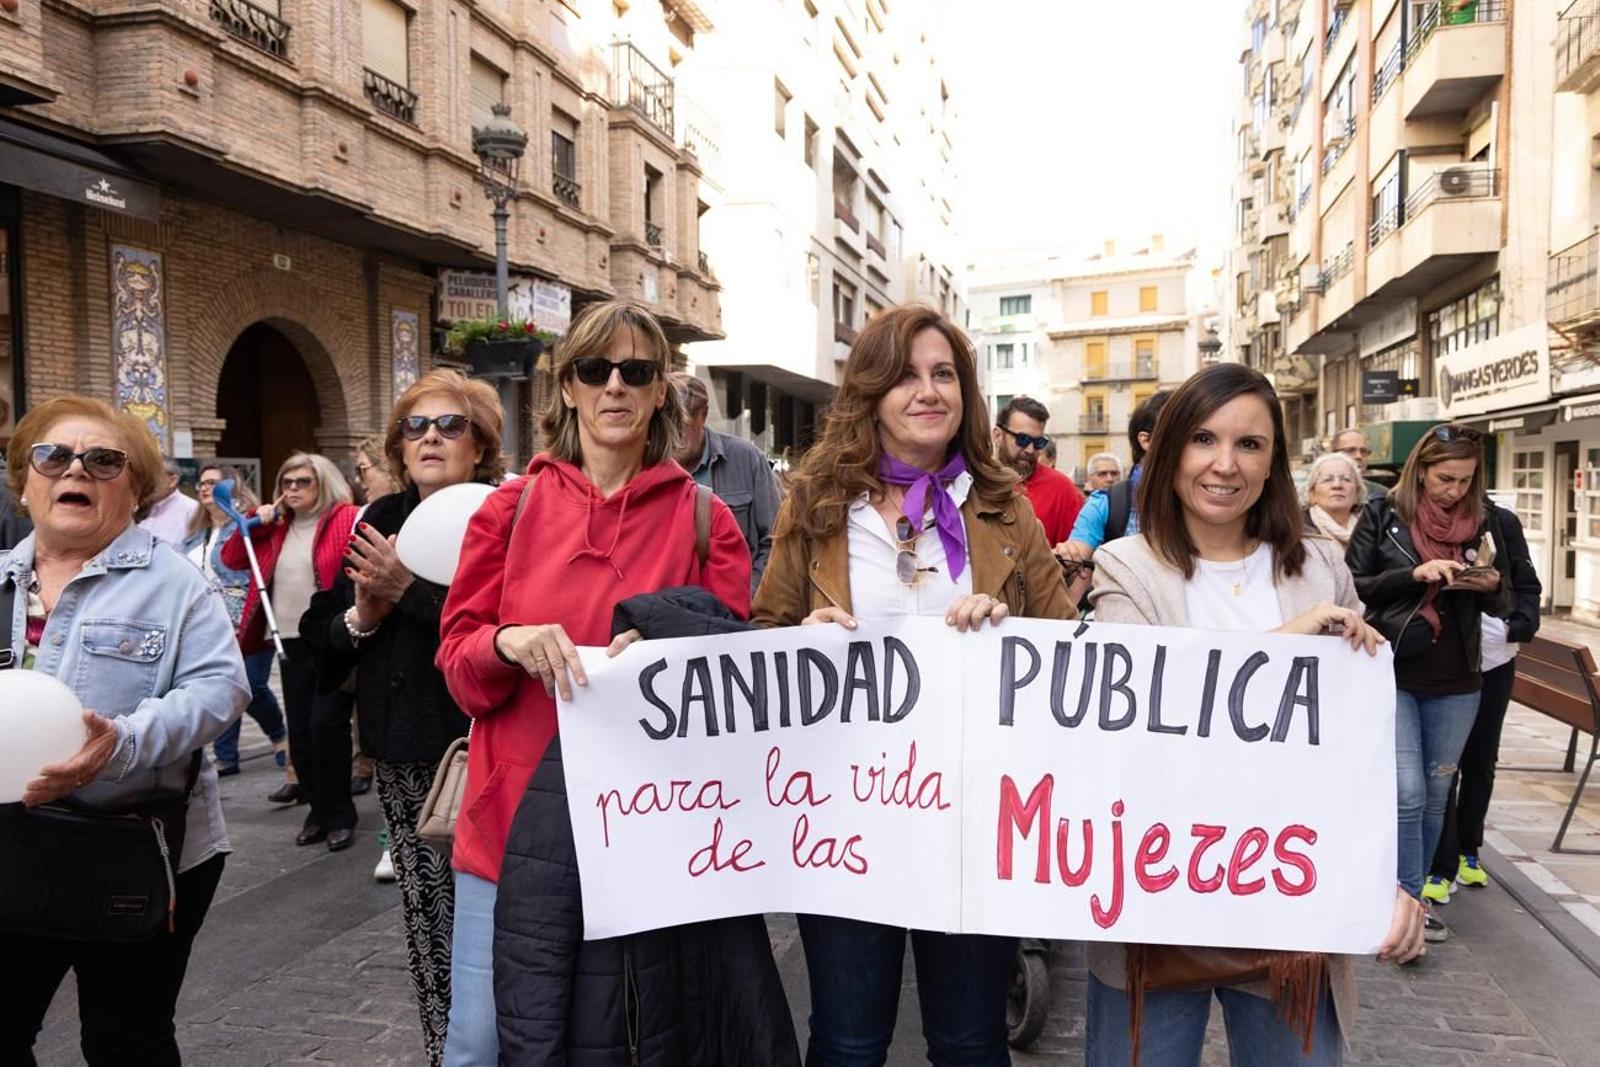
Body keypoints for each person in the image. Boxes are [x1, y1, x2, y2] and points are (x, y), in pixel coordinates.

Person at [753, 304, 1075, 1064]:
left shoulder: (1005, 508)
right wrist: (799, 640)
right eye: (905, 375)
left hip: (973, 817)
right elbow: (764, 635)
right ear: (870, 392)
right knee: (846, 1042)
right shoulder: (816, 505)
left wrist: (1012, 631)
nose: (928, 391)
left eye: (943, 374)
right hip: (845, 820)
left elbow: (1067, 651)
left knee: (969, 1043)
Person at [437, 300, 752, 1064]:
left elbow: (732, 687)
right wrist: (507, 641)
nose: (615, 385)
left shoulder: (708, 521)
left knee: (627, 1042)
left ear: (657, 394)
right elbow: (459, 666)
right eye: (595, 368)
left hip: (647, 835)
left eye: (636, 371)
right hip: (508, 829)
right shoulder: (507, 511)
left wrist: (670, 648)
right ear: (568, 388)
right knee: (481, 1043)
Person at [1087, 363, 1423, 1065]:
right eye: (1204, 438)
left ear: (1273, 461)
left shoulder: (1321, 566)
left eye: (1250, 444)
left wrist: (1385, 877)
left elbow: (1357, 750)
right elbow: (1144, 713)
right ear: (1171, 447)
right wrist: (1286, 641)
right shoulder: (1125, 567)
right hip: (1157, 899)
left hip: (1289, 900)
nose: (1224, 463)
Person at [0, 396, 249, 1063]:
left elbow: (222, 687)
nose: (75, 468)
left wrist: (121, 743)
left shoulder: (175, 583)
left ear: (134, 488)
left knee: (125, 1041)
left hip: (136, 849)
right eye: (53, 455)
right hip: (9, 844)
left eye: (104, 459)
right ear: (24, 478)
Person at [303, 370, 502, 1065]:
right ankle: (445, 1051)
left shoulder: (503, 515)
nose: (430, 438)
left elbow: (507, 634)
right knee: (430, 928)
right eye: (415, 426)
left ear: (479, 444)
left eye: (450, 425)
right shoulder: (380, 518)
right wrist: (363, 615)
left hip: (488, 752)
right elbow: (321, 627)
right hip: (405, 759)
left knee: (497, 933)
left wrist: (408, 590)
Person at [1345, 424, 1512, 944]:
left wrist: (1484, 584)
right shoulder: (1383, 514)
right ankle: (1397, 893)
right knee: (1408, 792)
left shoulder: (1487, 523)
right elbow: (1353, 585)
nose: (1454, 490)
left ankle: (1413, 903)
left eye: (1464, 480)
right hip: (1392, 668)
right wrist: (1413, 576)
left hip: (1461, 677)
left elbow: (1508, 599)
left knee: (1438, 792)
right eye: (1444, 478)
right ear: (1421, 470)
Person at [222, 453, 360, 846]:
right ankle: (317, 810)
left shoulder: (345, 518)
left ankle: (339, 814)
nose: (293, 490)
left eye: (303, 482)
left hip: (333, 636)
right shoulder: (274, 527)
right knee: (300, 732)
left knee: (326, 725)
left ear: (323, 483)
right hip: (287, 639)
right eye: (287, 483)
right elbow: (232, 557)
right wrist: (253, 520)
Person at [1424, 496, 1541, 904]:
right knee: (1444, 765)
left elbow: (1526, 584)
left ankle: (1468, 849)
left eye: (1463, 478)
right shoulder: (1420, 519)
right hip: (1447, 656)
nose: (1453, 489)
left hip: (1493, 657)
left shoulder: (1501, 521)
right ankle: (1442, 864)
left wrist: (1517, 625)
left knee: (1481, 757)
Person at [184, 463, 289, 777]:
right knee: (223, 685)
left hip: (248, 616)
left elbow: (272, 526)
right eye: (201, 483)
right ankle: (226, 756)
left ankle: (279, 734)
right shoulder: (195, 533)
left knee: (252, 684)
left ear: (232, 487)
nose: (205, 488)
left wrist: (267, 516)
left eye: (213, 482)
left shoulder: (245, 521)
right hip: (208, 621)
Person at [670, 371, 783, 595]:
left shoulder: (746, 459)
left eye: (683, 425)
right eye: (668, 424)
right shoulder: (644, 465)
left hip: (738, 611)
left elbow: (776, 540)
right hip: (669, 612)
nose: (675, 435)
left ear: (703, 416)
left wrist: (745, 597)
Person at [992, 396, 1083, 548]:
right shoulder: (968, 480)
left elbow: (1073, 558)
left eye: (1039, 442)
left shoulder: (1062, 489)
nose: (1030, 450)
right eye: (1022, 439)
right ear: (997, 435)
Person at [1301, 451, 1368, 548]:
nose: (1337, 485)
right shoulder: (1297, 533)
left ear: (1357, 493)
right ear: (1312, 494)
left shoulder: (1375, 529)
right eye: (1327, 480)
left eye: (1346, 479)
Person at [137, 455, 200, 545]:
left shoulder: (192, 510)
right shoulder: (137, 508)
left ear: (172, 481)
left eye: (152, 476)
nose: (146, 481)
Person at [1330, 427, 1389, 501]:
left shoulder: (1381, 495)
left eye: (1363, 451)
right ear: (1333, 455)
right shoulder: (1318, 492)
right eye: (1350, 450)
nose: (1359, 456)